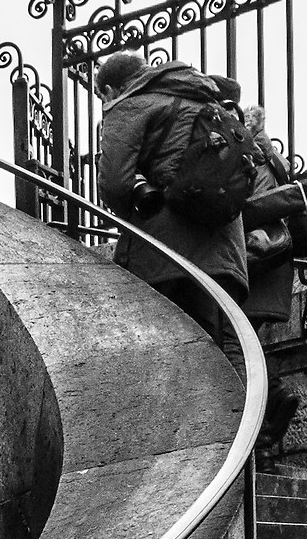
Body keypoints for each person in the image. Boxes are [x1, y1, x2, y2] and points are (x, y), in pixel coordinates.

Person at [94, 48, 249, 343]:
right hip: (228, 247)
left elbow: (115, 184)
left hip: (169, 255)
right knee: (229, 346)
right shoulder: (205, 96)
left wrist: (139, 200)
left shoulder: (129, 105)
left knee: (191, 355)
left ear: (111, 89)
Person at [240, 105, 307, 459]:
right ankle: (263, 430)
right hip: (274, 271)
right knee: (243, 345)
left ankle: (270, 407)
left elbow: (252, 209)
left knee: (234, 346)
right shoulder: (273, 157)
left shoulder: (253, 159)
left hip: (256, 266)